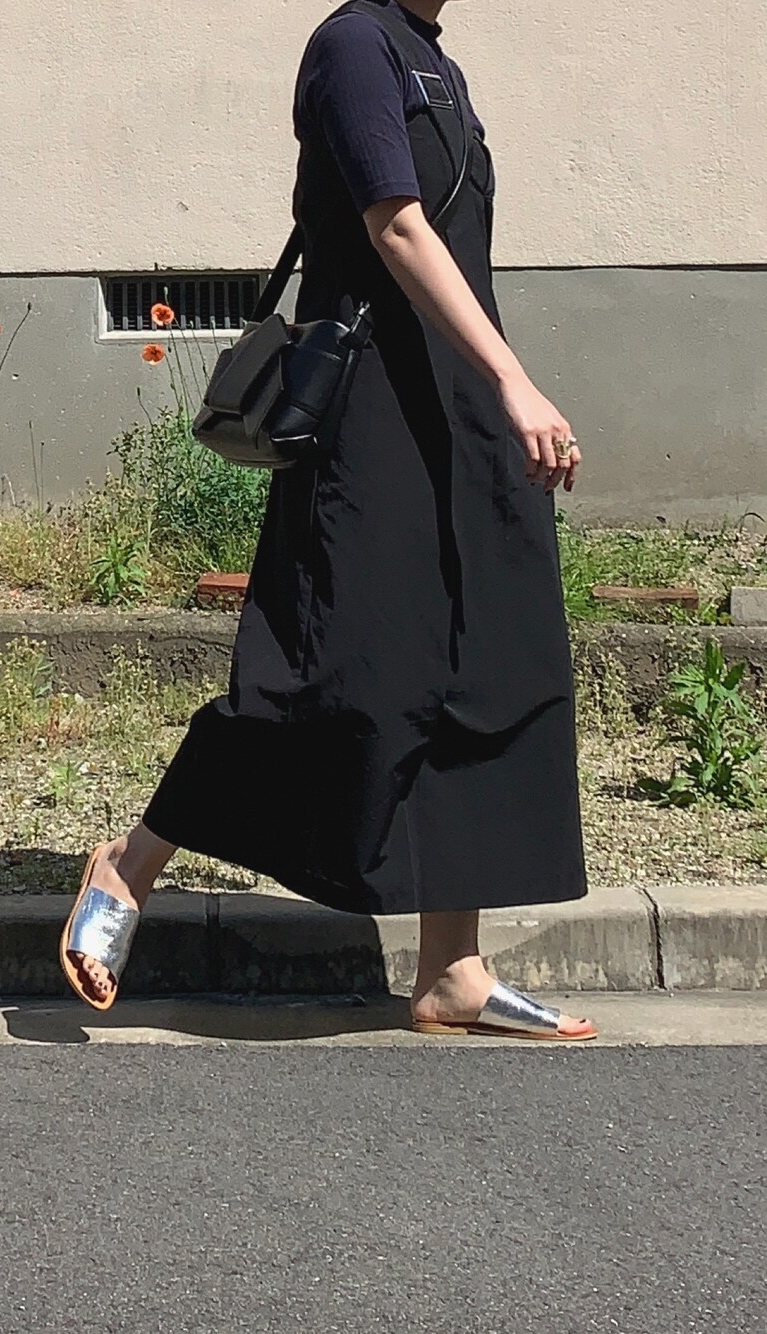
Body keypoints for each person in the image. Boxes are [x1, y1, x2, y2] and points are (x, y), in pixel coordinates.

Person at [59, 0, 597, 1042]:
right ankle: (128, 864)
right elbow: (395, 225)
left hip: (460, 413)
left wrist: (492, 393)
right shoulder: (353, 46)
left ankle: (453, 969)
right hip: (376, 416)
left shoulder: (434, 61)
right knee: (337, 671)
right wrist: (516, 379)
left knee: (491, 661)